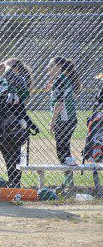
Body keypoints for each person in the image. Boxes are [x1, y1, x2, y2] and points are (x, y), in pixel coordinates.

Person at [0, 58, 38, 188]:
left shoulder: (21, 80)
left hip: (14, 122)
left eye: (9, 67)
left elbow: (12, 79)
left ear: (16, 69)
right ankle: (13, 182)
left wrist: (7, 68)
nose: (6, 69)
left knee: (14, 155)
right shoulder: (5, 81)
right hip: (0, 121)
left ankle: (15, 183)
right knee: (7, 155)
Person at [48, 57, 81, 190]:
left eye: (51, 66)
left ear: (59, 67)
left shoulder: (60, 80)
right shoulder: (63, 79)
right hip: (69, 120)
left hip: (64, 120)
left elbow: (60, 104)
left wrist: (52, 122)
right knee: (64, 151)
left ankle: (69, 182)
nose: (48, 68)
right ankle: (69, 182)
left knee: (62, 151)